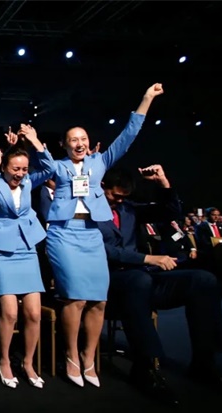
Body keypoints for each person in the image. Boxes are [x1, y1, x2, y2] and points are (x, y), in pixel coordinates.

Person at [41, 83, 164, 388]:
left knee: (98, 300)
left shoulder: (100, 162)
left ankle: (88, 356)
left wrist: (146, 99)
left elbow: (128, 136)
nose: (79, 143)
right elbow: (31, 170)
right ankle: (71, 354)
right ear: (64, 144)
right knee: (76, 298)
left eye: (83, 139)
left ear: (89, 143)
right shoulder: (56, 166)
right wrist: (32, 143)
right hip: (63, 235)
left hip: (92, 235)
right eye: (73, 139)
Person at [97, 166, 222, 404]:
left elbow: (170, 212)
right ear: (102, 187)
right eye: (115, 195)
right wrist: (146, 258)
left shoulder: (128, 209)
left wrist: (163, 183)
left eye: (124, 197)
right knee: (138, 281)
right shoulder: (86, 211)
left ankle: (204, 363)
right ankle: (145, 367)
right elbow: (101, 249)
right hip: (110, 280)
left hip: (142, 278)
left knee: (203, 280)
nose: (119, 200)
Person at [0, 124, 53, 389]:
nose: (20, 174)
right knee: (10, 313)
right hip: (1, 250)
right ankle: (4, 361)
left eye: (24, 169)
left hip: (27, 248)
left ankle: (28, 363)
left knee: (33, 313)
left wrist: (35, 141)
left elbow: (51, 169)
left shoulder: (30, 181)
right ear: (5, 167)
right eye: (15, 169)